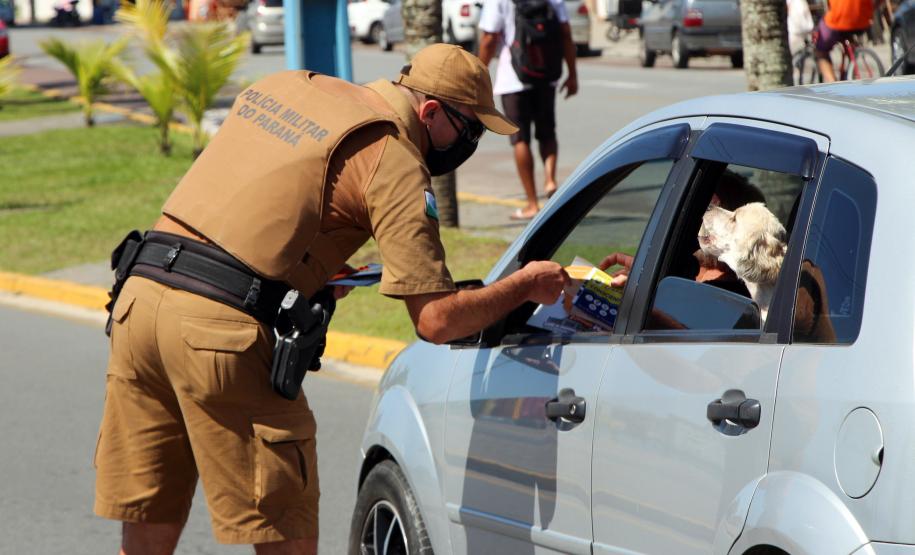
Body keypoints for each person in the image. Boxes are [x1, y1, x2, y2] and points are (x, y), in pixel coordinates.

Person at [93, 44, 569, 555]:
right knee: (285, 524)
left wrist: (303, 267)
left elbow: (259, 196)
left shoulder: (291, 84)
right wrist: (524, 285)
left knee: (150, 517)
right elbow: (435, 320)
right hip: (216, 331)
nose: (470, 143)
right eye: (470, 128)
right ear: (430, 112)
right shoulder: (394, 156)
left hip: (137, 302)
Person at [478, 0, 579, 221]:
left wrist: (476, 74)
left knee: (520, 139)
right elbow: (566, 34)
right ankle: (550, 180)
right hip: (546, 74)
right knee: (547, 133)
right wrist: (572, 74)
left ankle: (532, 203)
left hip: (513, 79)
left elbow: (489, 39)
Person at [598, 170, 766, 297]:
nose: (686, 223)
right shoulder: (687, 278)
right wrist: (649, 274)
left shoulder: (720, 295)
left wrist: (643, 292)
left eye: (709, 211)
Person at [815, 0, 874, 82]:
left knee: (821, 52)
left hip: (838, 20)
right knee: (849, 41)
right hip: (863, 20)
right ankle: (851, 64)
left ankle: (833, 83)